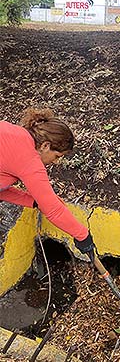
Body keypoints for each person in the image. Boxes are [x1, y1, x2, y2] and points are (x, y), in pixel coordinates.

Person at [0, 108, 97, 258]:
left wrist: (33, 201)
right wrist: (83, 236)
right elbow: (54, 210)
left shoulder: (13, 133)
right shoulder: (29, 160)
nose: (56, 161)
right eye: (57, 155)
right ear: (45, 146)